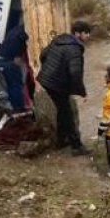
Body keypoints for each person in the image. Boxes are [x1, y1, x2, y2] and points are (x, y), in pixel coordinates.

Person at [38, 20, 92, 156]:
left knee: (62, 110)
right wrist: (82, 92)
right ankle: (76, 146)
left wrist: (50, 70)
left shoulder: (58, 40)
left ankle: (61, 141)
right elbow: (75, 73)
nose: (88, 36)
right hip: (56, 84)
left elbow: (43, 55)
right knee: (67, 113)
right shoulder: (75, 49)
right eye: (86, 33)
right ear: (78, 33)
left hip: (46, 80)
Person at [0, 16, 30, 113]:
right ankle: (19, 108)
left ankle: (16, 107)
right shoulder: (22, 35)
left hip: (2, 60)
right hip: (9, 61)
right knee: (16, 85)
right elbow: (17, 60)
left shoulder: (16, 30)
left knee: (12, 85)